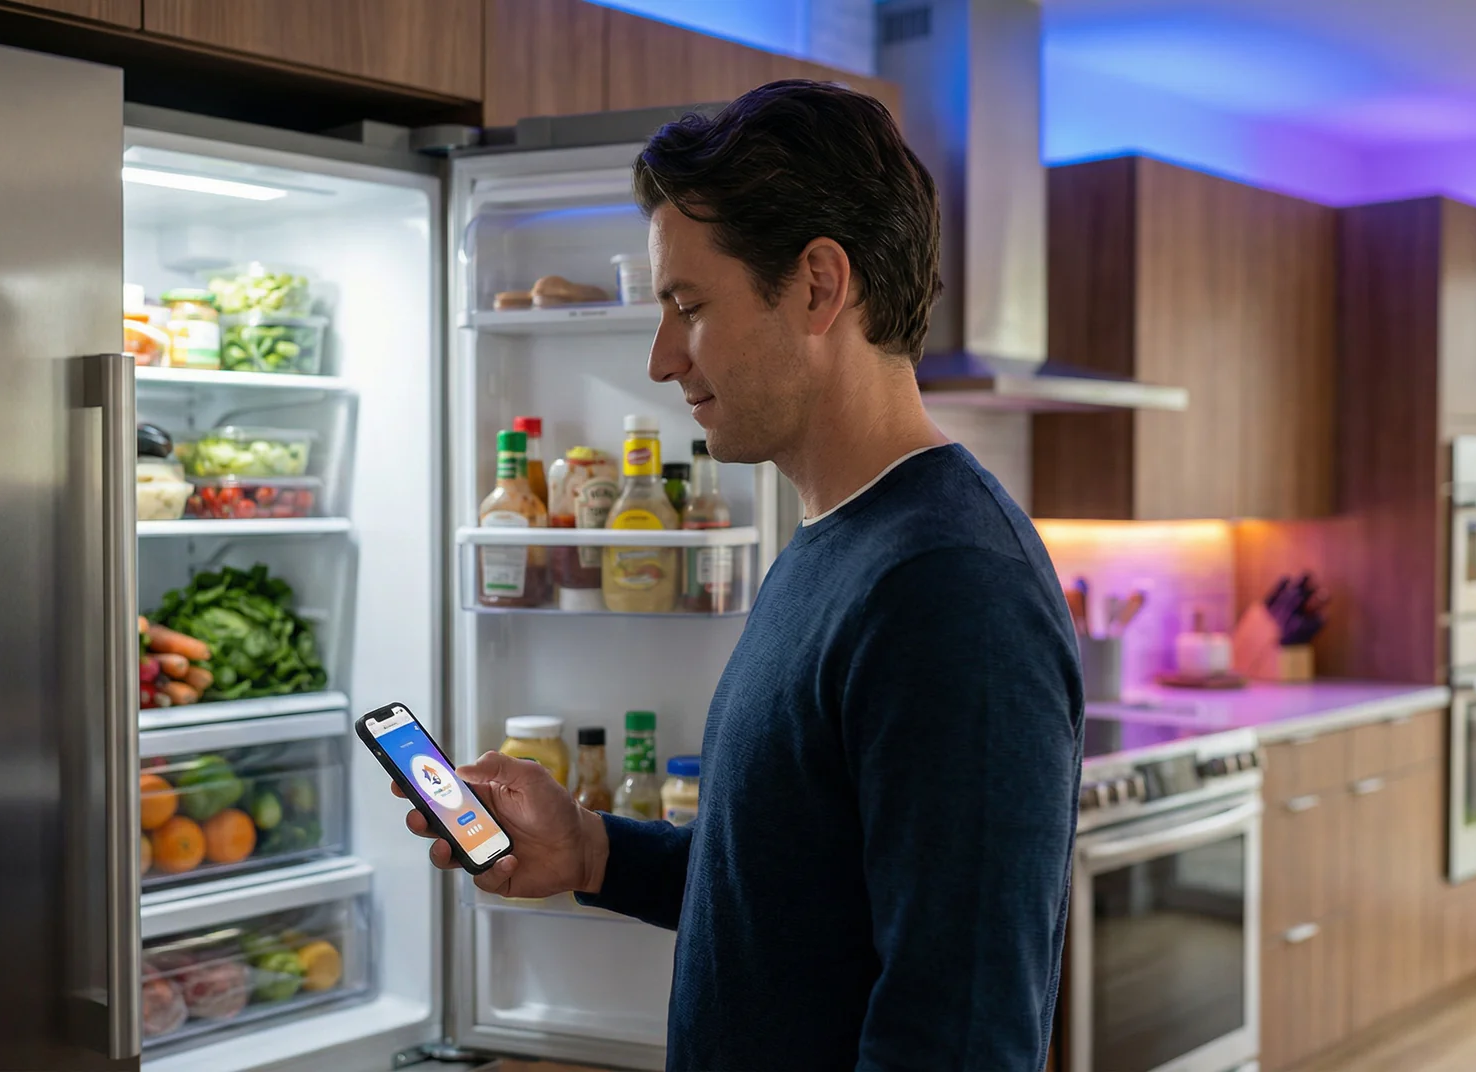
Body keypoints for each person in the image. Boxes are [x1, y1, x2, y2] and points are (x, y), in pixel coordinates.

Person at [393, 80, 1083, 1071]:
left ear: (816, 285)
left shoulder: (952, 591)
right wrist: (592, 849)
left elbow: (961, 1035)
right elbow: (791, 892)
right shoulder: (837, 543)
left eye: (687, 306)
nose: (662, 356)